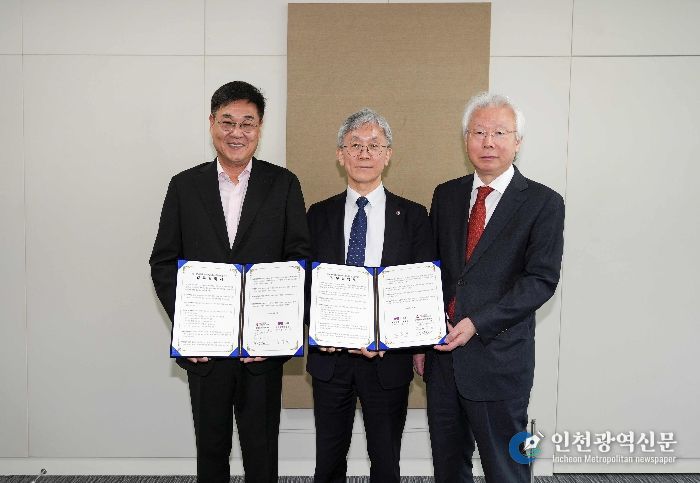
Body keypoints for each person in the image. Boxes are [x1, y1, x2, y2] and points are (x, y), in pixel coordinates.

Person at [149, 80, 311, 483]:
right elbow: (163, 262)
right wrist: (189, 327)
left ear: (259, 128)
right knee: (211, 450)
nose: (237, 132)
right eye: (227, 122)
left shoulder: (284, 184)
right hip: (206, 352)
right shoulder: (184, 186)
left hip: (263, 352)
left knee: (262, 452)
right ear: (212, 124)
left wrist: (276, 332)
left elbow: (299, 262)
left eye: (247, 123)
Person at [415, 92, 565, 482]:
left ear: (518, 142)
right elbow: (431, 272)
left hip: (499, 359)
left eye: (500, 132)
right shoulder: (446, 195)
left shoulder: (544, 202)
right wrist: (420, 338)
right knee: (449, 466)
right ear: (465, 139)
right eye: (478, 132)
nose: (488, 142)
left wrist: (477, 323)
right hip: (443, 359)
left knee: (507, 468)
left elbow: (541, 281)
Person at [306, 108, 434, 483]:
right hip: (331, 359)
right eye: (355, 145)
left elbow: (421, 291)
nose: (364, 153)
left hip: (387, 360)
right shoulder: (317, 215)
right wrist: (318, 327)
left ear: (388, 154)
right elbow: (305, 282)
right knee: (328, 462)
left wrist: (391, 336)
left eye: (374, 145)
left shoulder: (414, 216)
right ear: (340, 154)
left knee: (386, 462)